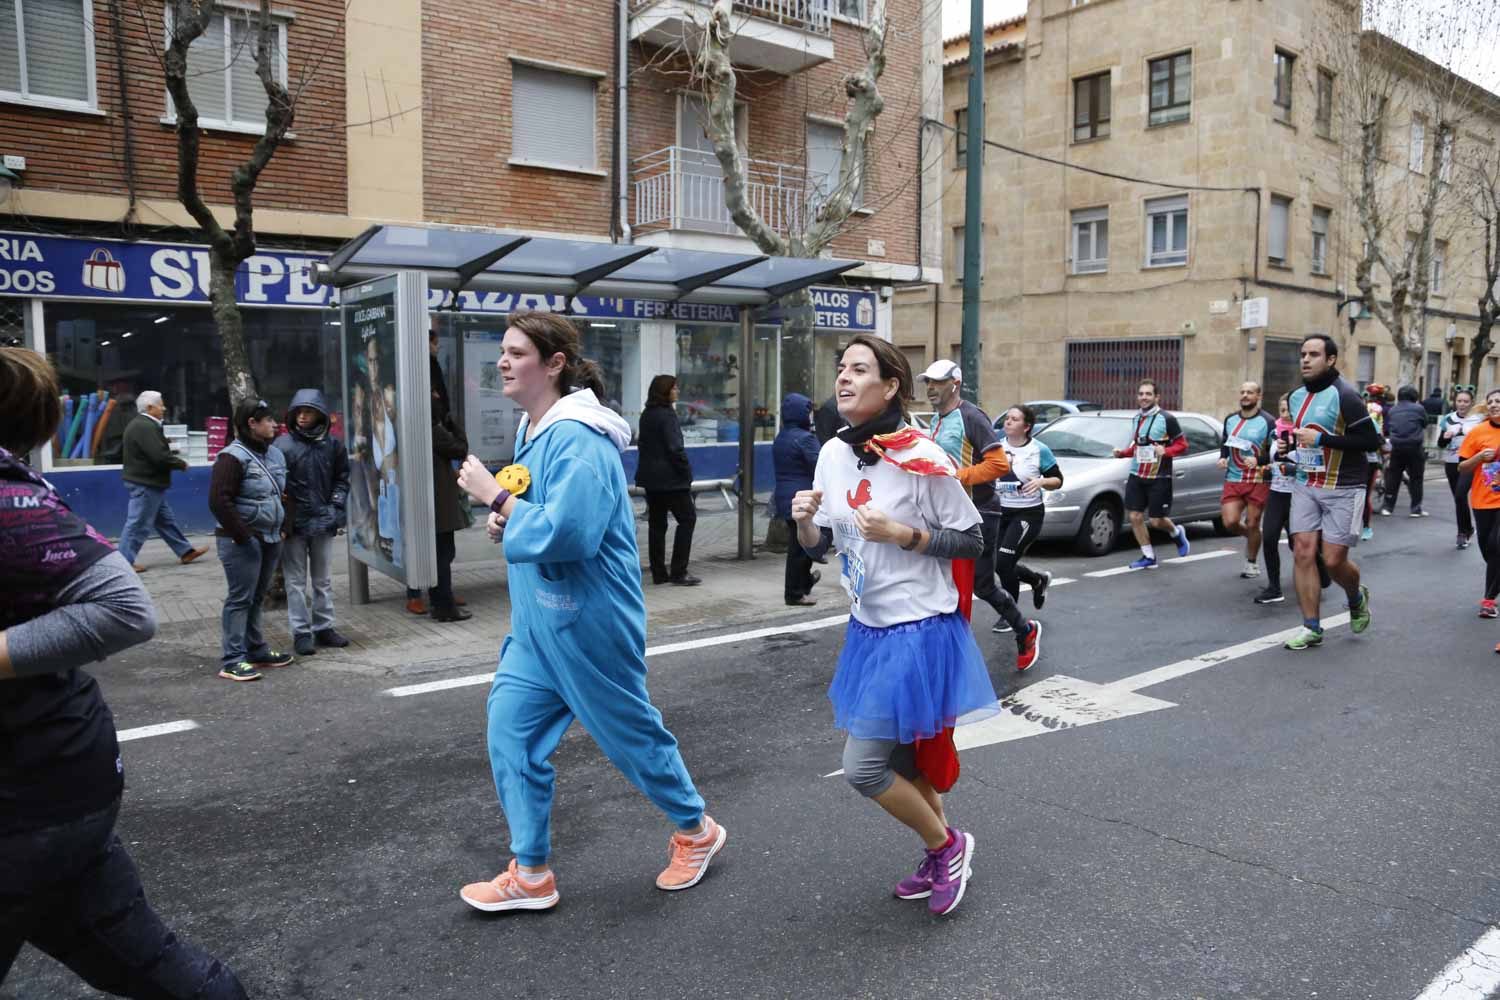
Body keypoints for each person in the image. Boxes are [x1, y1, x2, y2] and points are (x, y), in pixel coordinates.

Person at [453, 311, 724, 913]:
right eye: (502, 350)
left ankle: (696, 830)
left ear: (553, 365)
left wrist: (493, 496)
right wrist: (509, 518)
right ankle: (530, 872)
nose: (503, 361)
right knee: (510, 733)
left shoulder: (578, 438)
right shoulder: (537, 428)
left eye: (517, 352)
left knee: (629, 735)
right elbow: (543, 512)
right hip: (537, 626)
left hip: (589, 620)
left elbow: (571, 534)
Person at [0, 347, 247, 999]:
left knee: (139, 530)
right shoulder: (138, 431)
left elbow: (122, 609)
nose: (163, 408)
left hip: (30, 797)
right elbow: (152, 459)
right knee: (153, 967)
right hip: (55, 784)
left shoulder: (13, 500)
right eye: (160, 405)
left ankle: (150, 551)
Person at [791, 334, 999, 916]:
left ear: (890, 387)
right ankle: (942, 854)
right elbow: (821, 548)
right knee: (905, 763)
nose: (845, 377)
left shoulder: (923, 457)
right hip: (868, 627)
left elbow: (973, 538)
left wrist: (904, 535)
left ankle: (948, 845)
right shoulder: (833, 452)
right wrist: (805, 524)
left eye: (860, 368)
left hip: (919, 627)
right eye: (841, 367)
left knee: (862, 767)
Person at [919, 361, 1040, 672]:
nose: (930, 388)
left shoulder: (971, 417)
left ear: (954, 383)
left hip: (980, 513)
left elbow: (999, 464)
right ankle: (947, 653)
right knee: (946, 581)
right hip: (949, 514)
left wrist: (959, 476)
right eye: (928, 382)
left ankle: (1025, 631)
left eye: (937, 382)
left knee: (981, 586)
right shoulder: (937, 419)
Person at [1282, 335, 1380, 651]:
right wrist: (1289, 447)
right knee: (1303, 552)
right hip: (1306, 483)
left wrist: (1321, 441)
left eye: (1314, 354)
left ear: (1331, 360)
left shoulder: (1346, 396)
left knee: (1334, 561)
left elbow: (1370, 442)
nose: (1306, 360)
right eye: (1303, 354)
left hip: (1344, 486)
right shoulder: (1296, 397)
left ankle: (1356, 595)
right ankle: (1311, 627)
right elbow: (1304, 438)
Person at [209, 400, 295, 682]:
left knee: (257, 598)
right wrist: (244, 537)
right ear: (251, 424)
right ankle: (233, 659)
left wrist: (284, 526)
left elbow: (284, 495)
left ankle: (256, 649)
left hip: (271, 537)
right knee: (240, 598)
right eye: (268, 420)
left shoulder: (276, 456)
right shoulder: (232, 457)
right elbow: (219, 501)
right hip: (242, 541)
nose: (274, 425)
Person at [274, 390, 352, 656]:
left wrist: (336, 506)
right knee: (295, 581)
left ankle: (323, 627)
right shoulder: (282, 446)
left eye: (308, 411)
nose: (303, 417)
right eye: (299, 412)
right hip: (294, 524)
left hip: (323, 520)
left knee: (323, 580)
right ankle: (301, 632)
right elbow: (275, 485)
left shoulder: (333, 446)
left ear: (320, 413)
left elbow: (342, 477)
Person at [408, 330, 471, 616]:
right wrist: (450, 420)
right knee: (442, 552)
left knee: (439, 551)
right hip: (438, 501)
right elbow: (461, 447)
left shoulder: (421, 430)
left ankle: (438, 597)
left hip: (431, 498)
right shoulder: (434, 431)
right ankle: (442, 603)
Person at [117, 390, 208, 573]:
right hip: (146, 484)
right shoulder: (145, 426)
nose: (164, 408)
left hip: (149, 484)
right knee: (138, 524)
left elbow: (154, 451)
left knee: (166, 521)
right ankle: (124, 563)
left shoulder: (144, 425)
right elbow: (158, 456)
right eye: (161, 404)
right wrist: (179, 463)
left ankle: (185, 552)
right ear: (150, 408)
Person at [1255, 394, 1331, 605]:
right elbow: (1266, 457)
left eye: (1290, 410)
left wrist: (1292, 464)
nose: (1286, 414)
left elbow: (1316, 463)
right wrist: (1260, 462)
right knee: (1269, 537)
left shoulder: (1305, 434)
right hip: (1277, 492)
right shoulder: (1273, 433)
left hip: (1300, 494)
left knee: (1298, 543)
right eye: (1282, 410)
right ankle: (1274, 588)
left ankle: (1321, 573)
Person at [1112, 380, 1190, 569]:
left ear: (1157, 397)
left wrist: (1167, 451)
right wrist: (1122, 453)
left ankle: (1176, 533)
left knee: (1156, 521)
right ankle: (1148, 556)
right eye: (1141, 394)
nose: (1144, 397)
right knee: (1135, 517)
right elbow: (1139, 447)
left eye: (1148, 394)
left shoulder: (1167, 419)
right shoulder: (1136, 419)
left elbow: (1183, 445)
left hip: (1159, 477)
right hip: (1136, 474)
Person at [636, 375, 700, 587]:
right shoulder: (667, 415)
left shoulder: (647, 415)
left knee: (657, 525)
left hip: (651, 480)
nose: (677, 391)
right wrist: (686, 471)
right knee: (688, 519)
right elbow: (675, 448)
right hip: (672, 480)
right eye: (674, 388)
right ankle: (679, 571)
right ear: (665, 392)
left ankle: (659, 573)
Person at [996, 405, 1061, 612]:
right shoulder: (996, 447)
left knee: (1004, 562)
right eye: (1007, 418)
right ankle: (1037, 580)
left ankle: (1010, 613)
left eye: (1014, 419)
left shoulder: (1038, 450)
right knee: (997, 562)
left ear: (1026, 427)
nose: (1008, 422)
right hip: (1000, 512)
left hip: (1027, 513)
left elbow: (1058, 480)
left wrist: (1041, 482)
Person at [1217, 382, 1277, 580]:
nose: (1245, 395)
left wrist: (1259, 460)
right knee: (1230, 522)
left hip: (1258, 479)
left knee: (1252, 522)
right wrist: (1223, 457)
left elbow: (1276, 451)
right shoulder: (1230, 419)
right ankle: (1252, 536)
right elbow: (1226, 442)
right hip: (1234, 478)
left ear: (1258, 396)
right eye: (1242, 392)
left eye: (1249, 392)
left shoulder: (1268, 421)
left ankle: (1251, 563)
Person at [773, 392, 822, 606]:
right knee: (800, 549)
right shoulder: (806, 439)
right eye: (808, 413)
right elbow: (820, 466)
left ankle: (804, 582)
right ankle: (795, 593)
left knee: (799, 545)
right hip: (802, 498)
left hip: (784, 497)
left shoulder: (781, 437)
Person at [1457, 389, 1500, 624]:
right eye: (1491, 401)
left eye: (1499, 401)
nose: (1494, 405)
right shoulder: (1477, 432)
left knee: (1498, 543)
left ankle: (1488, 599)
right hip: (1483, 500)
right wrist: (1479, 458)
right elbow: (1462, 467)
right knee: (1488, 548)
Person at [1439, 388, 1480, 548]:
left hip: (1470, 462)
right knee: (1459, 498)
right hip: (1451, 462)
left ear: (1471, 403)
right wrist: (1446, 437)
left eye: (1465, 401)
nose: (1462, 404)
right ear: (1455, 402)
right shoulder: (1448, 419)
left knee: (1460, 494)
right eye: (1459, 401)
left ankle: (1462, 533)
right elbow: (1440, 444)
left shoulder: (1478, 420)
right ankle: (1467, 529)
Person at [1382, 385, 1430, 517]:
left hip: (1397, 446)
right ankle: (1415, 508)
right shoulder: (1419, 408)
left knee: (1393, 476)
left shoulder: (1393, 410)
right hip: (1415, 446)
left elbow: (1388, 427)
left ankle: (1388, 507)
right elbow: (1425, 423)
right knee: (1416, 477)